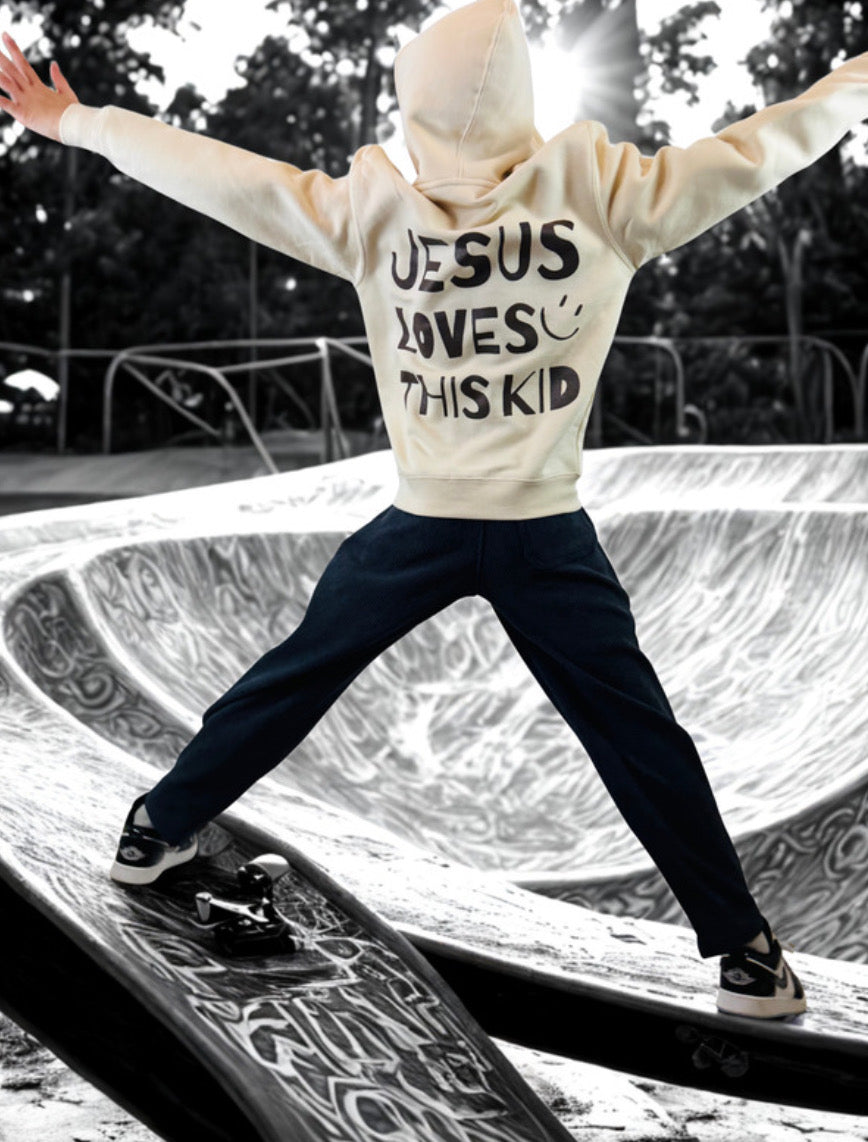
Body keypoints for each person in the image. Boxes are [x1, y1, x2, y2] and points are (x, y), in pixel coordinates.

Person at [4, 0, 866, 1020]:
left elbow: (224, 177)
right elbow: (755, 149)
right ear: (522, 103)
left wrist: (76, 122)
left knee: (295, 671)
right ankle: (746, 957)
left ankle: (158, 828)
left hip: (417, 527)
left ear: (414, 107)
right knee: (637, 733)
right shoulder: (608, 198)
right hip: (543, 534)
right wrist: (852, 83)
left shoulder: (373, 214)